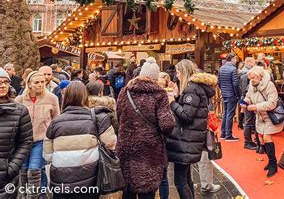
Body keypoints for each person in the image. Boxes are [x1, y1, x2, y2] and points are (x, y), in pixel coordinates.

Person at [43, 81, 116, 199]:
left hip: (61, 178)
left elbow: (47, 155)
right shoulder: (97, 118)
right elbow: (110, 143)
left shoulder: (55, 122)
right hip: (89, 175)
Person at [117, 58, 176, 199]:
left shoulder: (125, 92)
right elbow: (167, 124)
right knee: (147, 189)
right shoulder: (159, 94)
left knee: (128, 187)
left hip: (126, 145)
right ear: (155, 78)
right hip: (150, 149)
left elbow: (118, 115)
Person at [167, 60, 219, 198]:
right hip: (191, 138)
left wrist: (172, 102)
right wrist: (178, 97)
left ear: (184, 71)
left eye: (178, 72)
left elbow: (187, 115)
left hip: (187, 139)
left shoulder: (192, 89)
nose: (176, 75)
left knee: (180, 180)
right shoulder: (195, 88)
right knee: (186, 177)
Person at [15, 71, 60, 196]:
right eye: (37, 82)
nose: (40, 85)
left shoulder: (52, 98)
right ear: (29, 84)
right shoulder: (19, 100)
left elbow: (56, 120)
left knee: (34, 170)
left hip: (41, 140)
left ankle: (34, 196)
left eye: (42, 82)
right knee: (23, 171)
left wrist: (52, 139)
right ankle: (24, 196)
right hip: (23, 141)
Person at [243, 66, 283, 177]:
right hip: (259, 117)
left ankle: (273, 164)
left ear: (260, 77)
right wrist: (245, 102)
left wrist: (256, 106)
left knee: (266, 137)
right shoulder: (252, 85)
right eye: (250, 78)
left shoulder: (269, 85)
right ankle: (271, 161)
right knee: (261, 139)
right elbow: (248, 96)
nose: (252, 80)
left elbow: (272, 104)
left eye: (254, 78)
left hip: (270, 116)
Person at [0, 68, 33, 199]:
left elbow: (26, 141)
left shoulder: (19, 111)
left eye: (5, 82)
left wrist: (12, 167)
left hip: (7, 174)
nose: (2, 85)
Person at [218, 53, 240, 141]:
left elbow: (219, 82)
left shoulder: (221, 68)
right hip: (232, 94)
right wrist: (237, 94)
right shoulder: (233, 69)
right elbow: (235, 83)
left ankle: (223, 133)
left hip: (224, 93)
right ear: (232, 59)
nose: (236, 61)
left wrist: (223, 90)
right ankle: (228, 134)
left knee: (225, 114)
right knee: (230, 114)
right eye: (235, 59)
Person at [240, 57, 261, 151]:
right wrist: (244, 101)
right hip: (248, 101)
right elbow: (244, 90)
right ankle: (248, 142)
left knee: (251, 122)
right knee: (249, 122)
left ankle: (253, 141)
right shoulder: (245, 75)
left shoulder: (245, 74)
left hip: (247, 100)